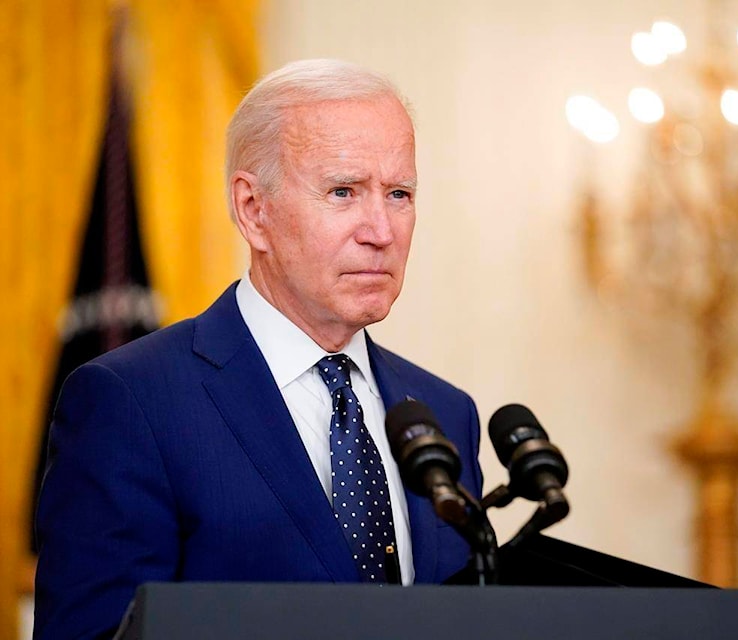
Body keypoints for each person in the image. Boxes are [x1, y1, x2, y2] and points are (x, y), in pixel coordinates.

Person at [33, 58, 483, 639]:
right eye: (343, 192)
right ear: (253, 210)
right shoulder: (131, 402)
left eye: (399, 193)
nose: (382, 230)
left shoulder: (447, 416)